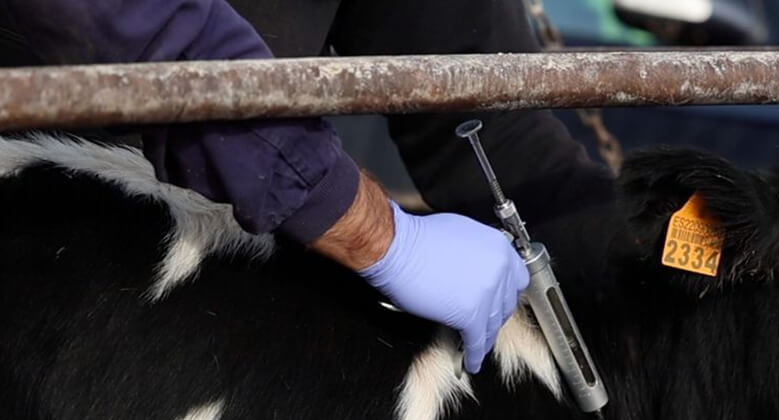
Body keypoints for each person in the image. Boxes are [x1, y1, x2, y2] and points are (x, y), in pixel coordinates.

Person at [2, 0, 541, 374]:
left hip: (207, 331)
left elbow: (488, 115)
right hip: (35, 283)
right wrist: (374, 233)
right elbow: (128, 19)